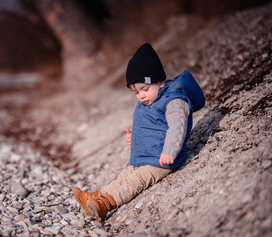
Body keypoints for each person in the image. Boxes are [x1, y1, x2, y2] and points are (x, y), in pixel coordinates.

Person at [73, 43, 205, 221]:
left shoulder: (174, 101)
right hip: (144, 155)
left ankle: (106, 204)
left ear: (160, 81)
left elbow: (177, 128)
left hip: (160, 160)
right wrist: (134, 137)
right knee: (124, 177)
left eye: (145, 89)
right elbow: (150, 126)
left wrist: (169, 151)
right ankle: (96, 196)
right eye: (136, 92)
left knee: (136, 181)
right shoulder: (149, 100)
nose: (141, 95)